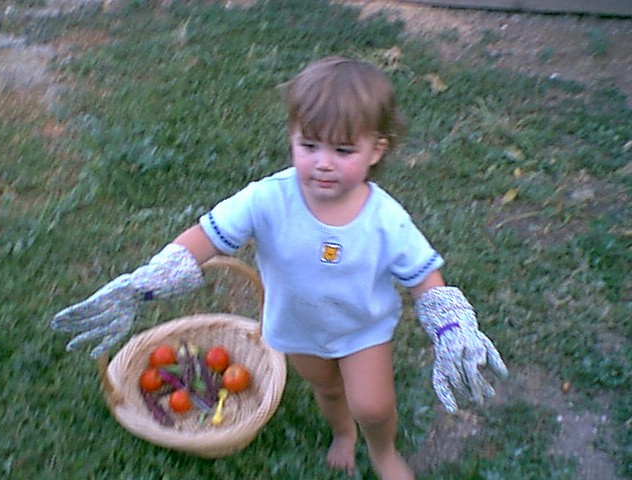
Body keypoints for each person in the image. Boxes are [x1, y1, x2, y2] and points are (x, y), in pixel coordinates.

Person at [52, 56, 508, 479]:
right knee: (327, 389)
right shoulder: (267, 199)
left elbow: (424, 277)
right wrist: (149, 281)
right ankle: (342, 432)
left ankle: (382, 449)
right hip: (296, 326)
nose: (323, 163)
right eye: (308, 145)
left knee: (372, 405)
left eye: (343, 150)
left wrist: (451, 326)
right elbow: (206, 235)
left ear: (376, 151)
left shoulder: (386, 219)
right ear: (291, 137)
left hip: (362, 328)